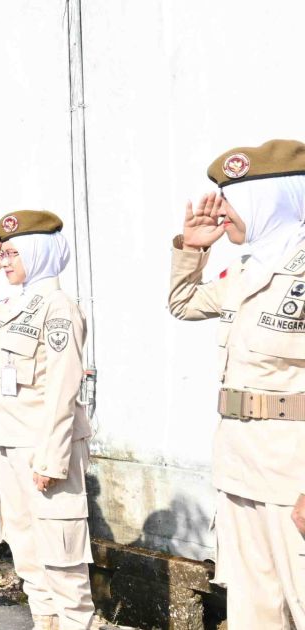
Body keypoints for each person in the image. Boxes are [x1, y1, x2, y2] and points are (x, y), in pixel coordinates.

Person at [168, 140, 305, 628]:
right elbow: (183, 303)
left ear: (272, 199)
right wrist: (193, 250)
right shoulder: (248, 269)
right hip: (240, 465)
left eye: (231, 199)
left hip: (294, 473)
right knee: (254, 607)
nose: (220, 211)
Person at [0, 211, 93, 629]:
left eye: (12, 253)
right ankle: (45, 621)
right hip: (11, 446)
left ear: (39, 253)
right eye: (2, 255)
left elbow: (63, 388)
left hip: (43, 449)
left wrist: (51, 460)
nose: (4, 262)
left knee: (61, 552)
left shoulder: (59, 308)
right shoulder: (16, 305)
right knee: (25, 546)